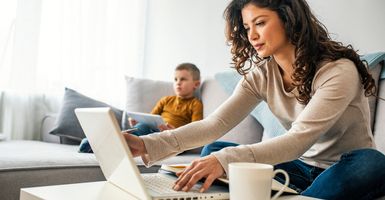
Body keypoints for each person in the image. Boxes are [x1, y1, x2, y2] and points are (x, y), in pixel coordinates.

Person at [123, 0, 385, 199]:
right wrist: (146, 144)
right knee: (213, 151)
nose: (252, 35)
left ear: (289, 19)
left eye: (260, 23)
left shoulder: (337, 71)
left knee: (373, 164)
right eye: (247, 27)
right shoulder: (262, 75)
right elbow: (215, 124)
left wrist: (227, 160)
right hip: (300, 167)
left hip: (347, 164)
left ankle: (305, 194)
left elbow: (299, 139)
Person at [129, 63, 203, 136]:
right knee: (141, 126)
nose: (178, 83)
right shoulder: (166, 100)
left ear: (196, 84)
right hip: (154, 131)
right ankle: (128, 139)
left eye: (183, 79)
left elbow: (195, 130)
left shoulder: (196, 104)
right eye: (175, 79)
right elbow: (150, 118)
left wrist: (174, 132)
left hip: (173, 136)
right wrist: (138, 122)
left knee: (143, 131)